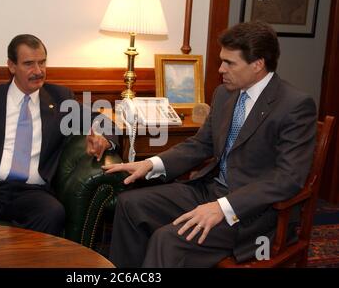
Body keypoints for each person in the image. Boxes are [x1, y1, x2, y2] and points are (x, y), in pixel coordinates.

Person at [103, 21, 317, 267]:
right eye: (221, 61)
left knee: (168, 239)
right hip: (209, 190)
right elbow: (200, 144)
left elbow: (288, 178)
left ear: (258, 64)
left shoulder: (294, 106)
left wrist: (224, 207)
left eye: (230, 63)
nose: (221, 69)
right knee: (131, 205)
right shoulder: (225, 94)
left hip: (252, 213)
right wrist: (151, 164)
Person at [0, 34, 116, 236]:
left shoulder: (61, 99)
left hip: (30, 192)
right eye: (29, 64)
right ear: (11, 66)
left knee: (52, 213)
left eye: (42, 63)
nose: (38, 71)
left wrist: (102, 138)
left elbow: (102, 120)